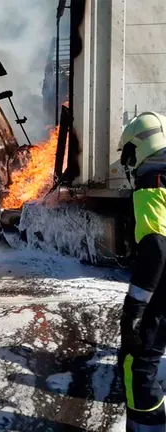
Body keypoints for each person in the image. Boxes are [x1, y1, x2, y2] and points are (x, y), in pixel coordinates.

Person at [118, 111, 166, 431]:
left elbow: (157, 247)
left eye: (128, 153)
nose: (128, 163)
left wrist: (135, 308)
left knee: (138, 362)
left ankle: (146, 425)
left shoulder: (153, 179)